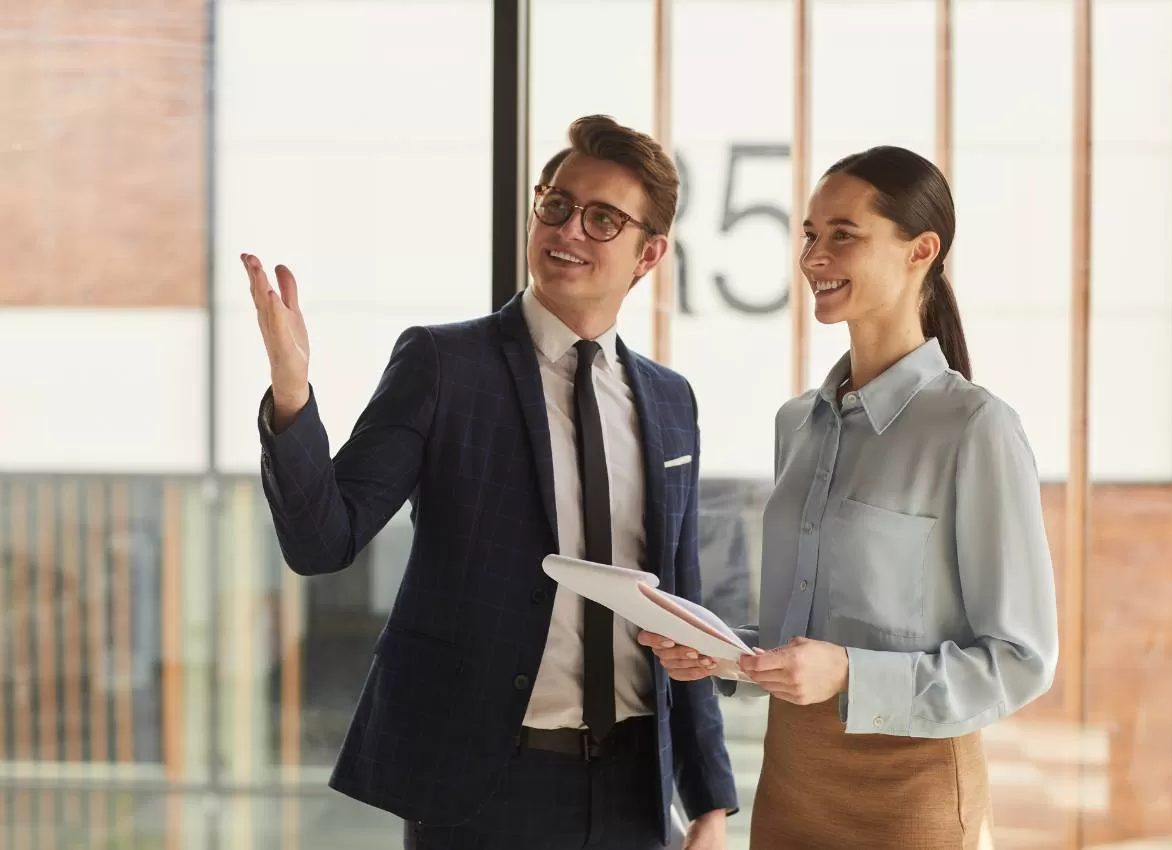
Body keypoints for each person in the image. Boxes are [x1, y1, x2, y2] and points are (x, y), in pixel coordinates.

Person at [243, 114, 737, 850]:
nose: (568, 230)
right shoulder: (444, 366)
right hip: (486, 790)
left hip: (637, 790)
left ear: (649, 253)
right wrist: (291, 395)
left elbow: (681, 606)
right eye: (556, 204)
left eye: (603, 219)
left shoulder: (671, 400)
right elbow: (324, 540)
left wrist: (710, 801)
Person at [640, 145, 1059, 848]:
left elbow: (1020, 661)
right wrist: (722, 652)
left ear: (920, 250)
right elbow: (806, 637)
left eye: (843, 235)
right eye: (809, 233)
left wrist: (849, 674)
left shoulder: (975, 429)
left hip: (912, 795)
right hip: (790, 784)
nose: (813, 257)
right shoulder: (796, 423)